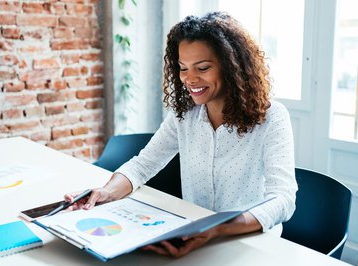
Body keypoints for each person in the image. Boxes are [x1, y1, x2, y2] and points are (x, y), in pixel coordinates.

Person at [65, 11, 297, 258]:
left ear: (232, 67)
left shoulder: (271, 117)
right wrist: (106, 192)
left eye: (203, 67)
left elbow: (282, 199)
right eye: (183, 68)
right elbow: (143, 165)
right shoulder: (184, 115)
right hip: (193, 238)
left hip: (251, 244)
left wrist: (215, 229)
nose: (189, 78)